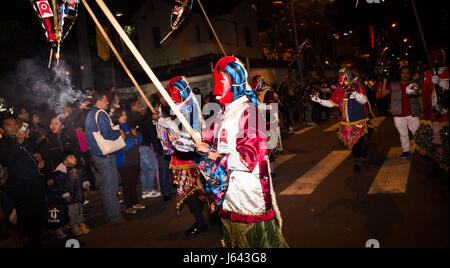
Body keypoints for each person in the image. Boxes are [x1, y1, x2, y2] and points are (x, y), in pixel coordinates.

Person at [196, 56, 288, 248]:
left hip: (247, 193)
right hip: (228, 192)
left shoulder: (250, 112)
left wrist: (214, 155)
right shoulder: (223, 112)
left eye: (221, 82)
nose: (216, 89)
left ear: (234, 82)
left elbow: (248, 159)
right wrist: (201, 143)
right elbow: (211, 139)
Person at [159, 76, 208, 236]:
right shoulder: (183, 105)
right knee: (193, 191)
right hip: (185, 156)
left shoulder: (188, 106)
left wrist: (165, 122)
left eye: (172, 92)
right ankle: (203, 220)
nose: (171, 95)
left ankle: (202, 222)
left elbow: (183, 130)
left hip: (189, 157)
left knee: (193, 190)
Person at [312, 68, 370, 172]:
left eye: (343, 77)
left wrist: (354, 92)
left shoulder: (357, 86)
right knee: (351, 142)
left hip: (358, 120)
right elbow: (331, 103)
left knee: (357, 142)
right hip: (346, 122)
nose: (341, 81)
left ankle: (357, 160)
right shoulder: (339, 89)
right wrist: (318, 100)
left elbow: (363, 101)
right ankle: (360, 152)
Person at [0, 115, 46, 247]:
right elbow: (7, 160)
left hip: (34, 182)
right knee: (28, 216)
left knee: (37, 214)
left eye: (15, 124)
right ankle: (30, 240)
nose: (14, 127)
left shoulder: (23, 140)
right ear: (2, 129)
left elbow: (33, 155)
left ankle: (35, 236)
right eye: (9, 125)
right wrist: (18, 143)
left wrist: (39, 158)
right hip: (21, 186)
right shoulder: (4, 144)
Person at [84, 92, 123, 224]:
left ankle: (108, 212)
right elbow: (106, 134)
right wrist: (118, 132)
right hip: (104, 155)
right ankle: (115, 216)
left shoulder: (90, 115)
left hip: (97, 154)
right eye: (105, 100)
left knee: (106, 186)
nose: (107, 103)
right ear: (99, 102)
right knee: (111, 186)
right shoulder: (100, 114)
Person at [413, 49, 449, 171]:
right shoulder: (427, 73)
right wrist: (413, 89)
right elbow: (419, 89)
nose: (435, 57)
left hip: (446, 115)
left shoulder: (448, 71)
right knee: (431, 140)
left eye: (438, 54)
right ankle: (437, 165)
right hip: (431, 114)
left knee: (445, 141)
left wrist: (441, 82)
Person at [382, 66, 421, 159]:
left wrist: (422, 112)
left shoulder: (414, 85)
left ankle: (421, 149)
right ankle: (406, 151)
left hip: (413, 113)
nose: (405, 75)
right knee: (403, 134)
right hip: (398, 114)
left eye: (407, 73)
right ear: (400, 74)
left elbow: (420, 97)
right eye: (403, 73)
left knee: (418, 132)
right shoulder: (394, 84)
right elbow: (383, 94)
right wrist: (384, 81)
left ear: (409, 74)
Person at [112, 108, 145, 214]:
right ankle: (128, 206)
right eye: (121, 115)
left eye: (125, 114)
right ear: (117, 117)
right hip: (124, 161)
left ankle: (135, 202)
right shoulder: (115, 129)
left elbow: (139, 140)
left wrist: (136, 137)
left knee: (133, 182)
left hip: (134, 158)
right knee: (127, 183)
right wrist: (134, 140)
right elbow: (121, 146)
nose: (124, 116)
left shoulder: (129, 127)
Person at [127, 98, 161, 199]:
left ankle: (145, 191)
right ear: (133, 106)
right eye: (137, 104)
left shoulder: (132, 117)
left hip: (138, 146)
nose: (139, 106)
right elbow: (145, 126)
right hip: (143, 145)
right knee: (152, 168)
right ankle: (149, 190)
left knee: (145, 170)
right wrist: (145, 115)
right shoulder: (136, 116)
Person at [52, 152, 90, 236]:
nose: (74, 158)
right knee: (72, 212)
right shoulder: (61, 172)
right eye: (71, 157)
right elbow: (60, 184)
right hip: (71, 196)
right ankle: (75, 226)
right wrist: (66, 194)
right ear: (65, 162)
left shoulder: (76, 169)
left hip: (78, 194)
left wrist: (85, 183)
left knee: (79, 209)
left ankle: (81, 223)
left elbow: (83, 177)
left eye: (74, 156)